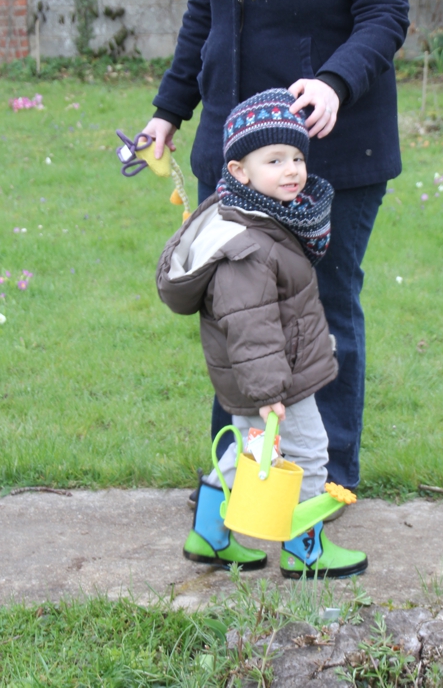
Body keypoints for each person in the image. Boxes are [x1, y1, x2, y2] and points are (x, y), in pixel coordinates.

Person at [141, 0, 409, 490]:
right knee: (237, 311)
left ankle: (324, 481)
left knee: (321, 313)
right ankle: (241, 481)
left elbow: (385, 15)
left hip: (326, 152)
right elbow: (204, 13)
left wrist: (334, 81)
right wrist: (168, 110)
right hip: (233, 152)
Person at [157, 89, 368, 578]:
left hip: (269, 375)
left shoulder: (261, 218)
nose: (292, 170)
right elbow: (250, 326)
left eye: (297, 157)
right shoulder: (246, 244)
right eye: (274, 160)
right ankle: (305, 550)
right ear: (239, 171)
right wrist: (270, 391)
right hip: (274, 381)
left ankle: (209, 536)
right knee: (308, 452)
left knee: (251, 453)